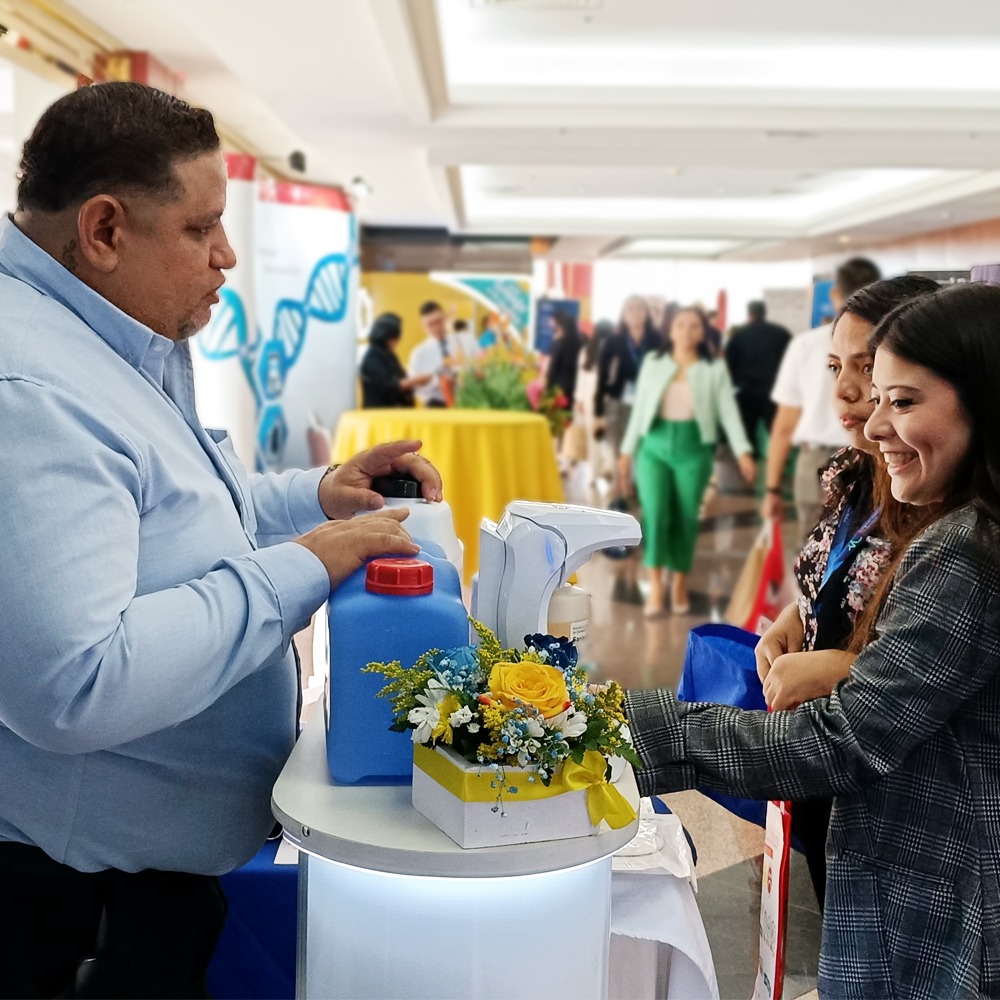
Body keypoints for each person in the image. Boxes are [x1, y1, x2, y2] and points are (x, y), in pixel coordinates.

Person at [0, 82, 442, 998]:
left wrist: (316, 496)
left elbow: (173, 514)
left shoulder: (103, 335)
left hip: (134, 886)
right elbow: (74, 684)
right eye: (201, 228)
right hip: (76, 909)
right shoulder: (31, 391)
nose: (226, 254)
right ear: (105, 229)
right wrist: (304, 567)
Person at [625, 282, 1000, 999]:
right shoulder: (942, 516)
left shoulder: (964, 548)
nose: (873, 421)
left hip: (943, 896)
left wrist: (639, 726)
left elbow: (843, 740)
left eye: (902, 401)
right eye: (864, 386)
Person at [754, 275, 939, 910]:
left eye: (870, 369)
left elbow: (941, 664)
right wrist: (797, 616)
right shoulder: (854, 472)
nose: (847, 391)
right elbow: (839, 575)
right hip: (820, 752)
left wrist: (839, 667)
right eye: (837, 366)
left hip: (892, 782)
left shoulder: (940, 503)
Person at [618, 307, 755, 617]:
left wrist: (742, 451)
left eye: (694, 326)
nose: (686, 331)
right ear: (670, 330)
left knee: (685, 517)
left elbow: (728, 411)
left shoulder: (713, 370)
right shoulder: (653, 364)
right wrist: (626, 451)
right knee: (655, 514)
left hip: (694, 449)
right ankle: (656, 584)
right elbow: (639, 410)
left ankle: (678, 582)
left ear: (702, 332)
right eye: (680, 324)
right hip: (654, 445)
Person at [763, 258, 882, 535]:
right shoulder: (887, 342)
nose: (841, 390)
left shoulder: (805, 345)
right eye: (834, 367)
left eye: (865, 368)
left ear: (834, 293)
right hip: (871, 452)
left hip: (842, 456)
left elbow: (784, 425)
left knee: (817, 543)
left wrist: (772, 488)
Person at [595, 294, 662, 463]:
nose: (635, 313)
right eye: (630, 309)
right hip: (619, 404)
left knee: (645, 453)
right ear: (623, 314)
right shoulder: (612, 341)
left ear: (647, 313)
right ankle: (621, 480)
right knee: (620, 453)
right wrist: (598, 411)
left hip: (650, 403)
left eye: (640, 308)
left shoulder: (658, 341)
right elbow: (601, 377)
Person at [724, 300, 791, 457]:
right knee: (777, 430)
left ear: (749, 314)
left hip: (747, 392)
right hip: (774, 391)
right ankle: (781, 461)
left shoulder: (739, 336)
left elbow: (729, 364)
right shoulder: (781, 334)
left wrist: (737, 383)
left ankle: (751, 461)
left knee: (747, 431)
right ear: (764, 313)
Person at [359, 312, 432, 408]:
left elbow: (400, 379)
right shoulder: (372, 359)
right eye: (397, 336)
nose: (399, 340)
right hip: (382, 412)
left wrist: (415, 382)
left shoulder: (389, 355)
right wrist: (414, 381)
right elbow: (388, 387)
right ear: (387, 336)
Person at [408, 300, 458, 407]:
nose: (436, 328)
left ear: (446, 319)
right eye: (430, 325)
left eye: (439, 321)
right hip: (435, 405)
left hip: (465, 402)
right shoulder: (418, 353)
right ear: (423, 327)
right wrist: (439, 381)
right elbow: (414, 387)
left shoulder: (462, 343)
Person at [545, 308, 583, 403]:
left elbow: (552, 367)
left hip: (559, 389)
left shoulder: (559, 343)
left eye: (555, 328)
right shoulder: (580, 342)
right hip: (575, 387)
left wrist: (547, 387)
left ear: (561, 326)